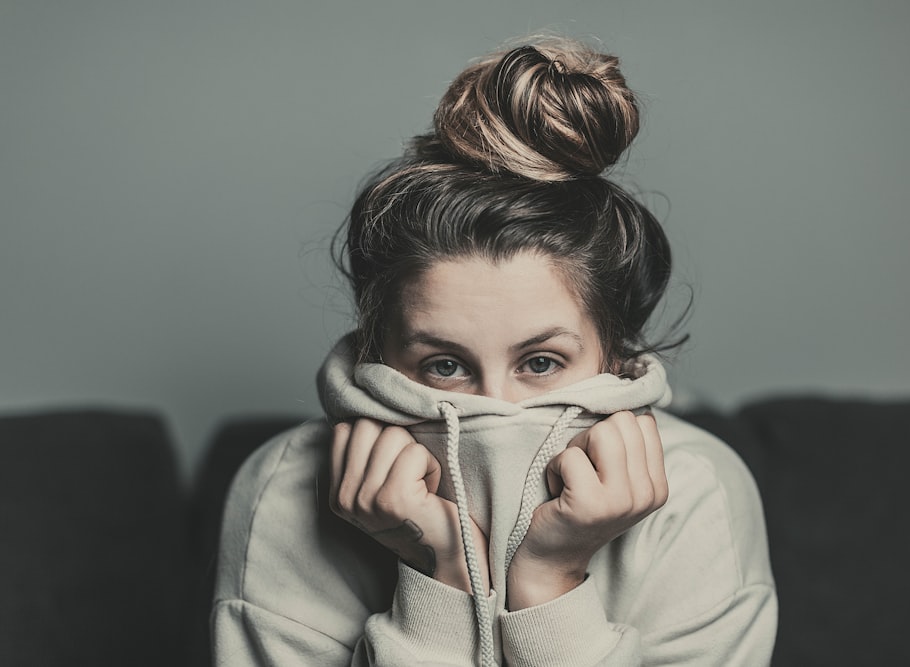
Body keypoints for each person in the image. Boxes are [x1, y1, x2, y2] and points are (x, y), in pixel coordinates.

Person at [212, 37, 777, 666]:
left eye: (541, 363)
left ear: (613, 357)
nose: (495, 408)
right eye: (445, 366)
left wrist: (550, 583)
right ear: (380, 357)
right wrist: (439, 579)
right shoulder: (285, 490)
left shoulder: (700, 492)